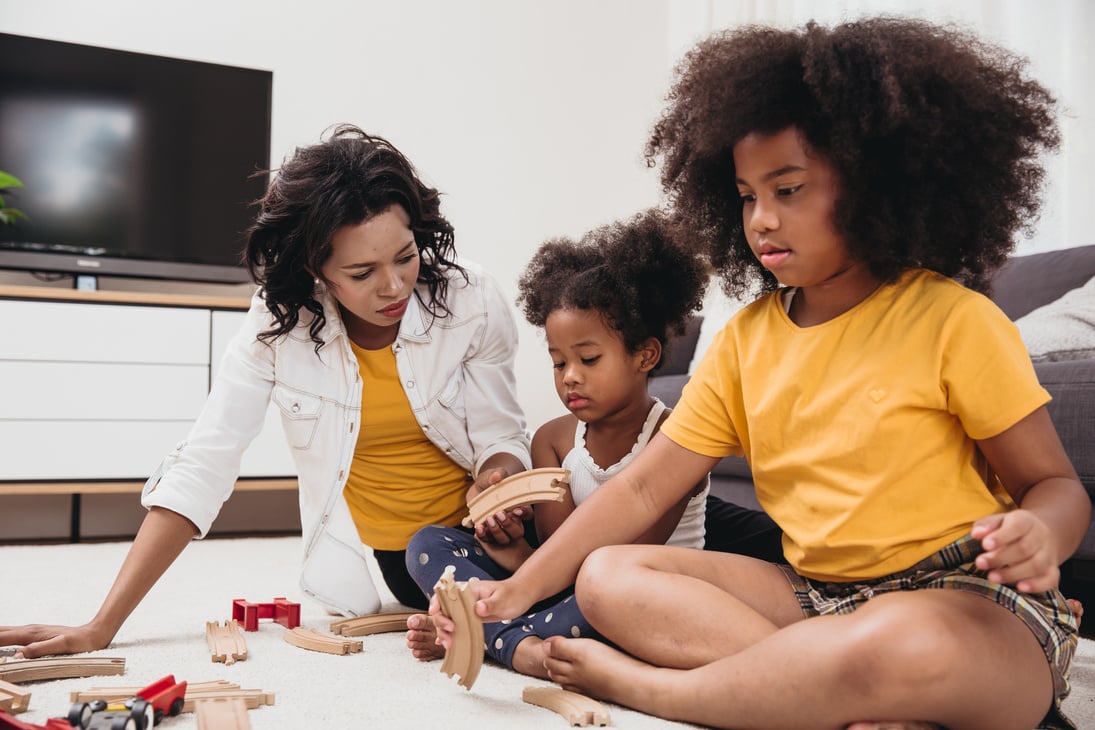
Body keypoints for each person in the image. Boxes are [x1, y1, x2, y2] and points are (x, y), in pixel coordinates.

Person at [430, 18, 1088, 730]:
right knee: (609, 575)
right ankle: (836, 694)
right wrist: (519, 590)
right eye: (746, 195)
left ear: (873, 188)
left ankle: (651, 689)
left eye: (789, 189)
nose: (761, 220)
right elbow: (648, 484)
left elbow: (1053, 487)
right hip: (816, 597)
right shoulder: (747, 340)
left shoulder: (953, 321)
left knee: (902, 640)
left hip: (965, 599)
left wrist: (1039, 536)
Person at [0, 124, 531, 657]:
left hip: (488, 530)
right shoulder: (277, 327)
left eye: (405, 255)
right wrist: (100, 626)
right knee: (432, 555)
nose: (393, 286)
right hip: (411, 557)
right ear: (315, 268)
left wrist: (497, 482)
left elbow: (500, 434)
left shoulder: (469, 297)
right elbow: (205, 464)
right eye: (363, 271)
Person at [404, 209, 711, 677]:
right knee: (428, 545)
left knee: (602, 603)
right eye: (557, 362)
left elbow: (610, 565)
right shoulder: (552, 439)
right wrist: (510, 549)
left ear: (645, 355)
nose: (570, 377)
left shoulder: (674, 441)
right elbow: (554, 557)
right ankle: (511, 636)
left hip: (632, 592)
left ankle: (486, 634)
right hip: (558, 588)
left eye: (588, 359)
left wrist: (519, 574)